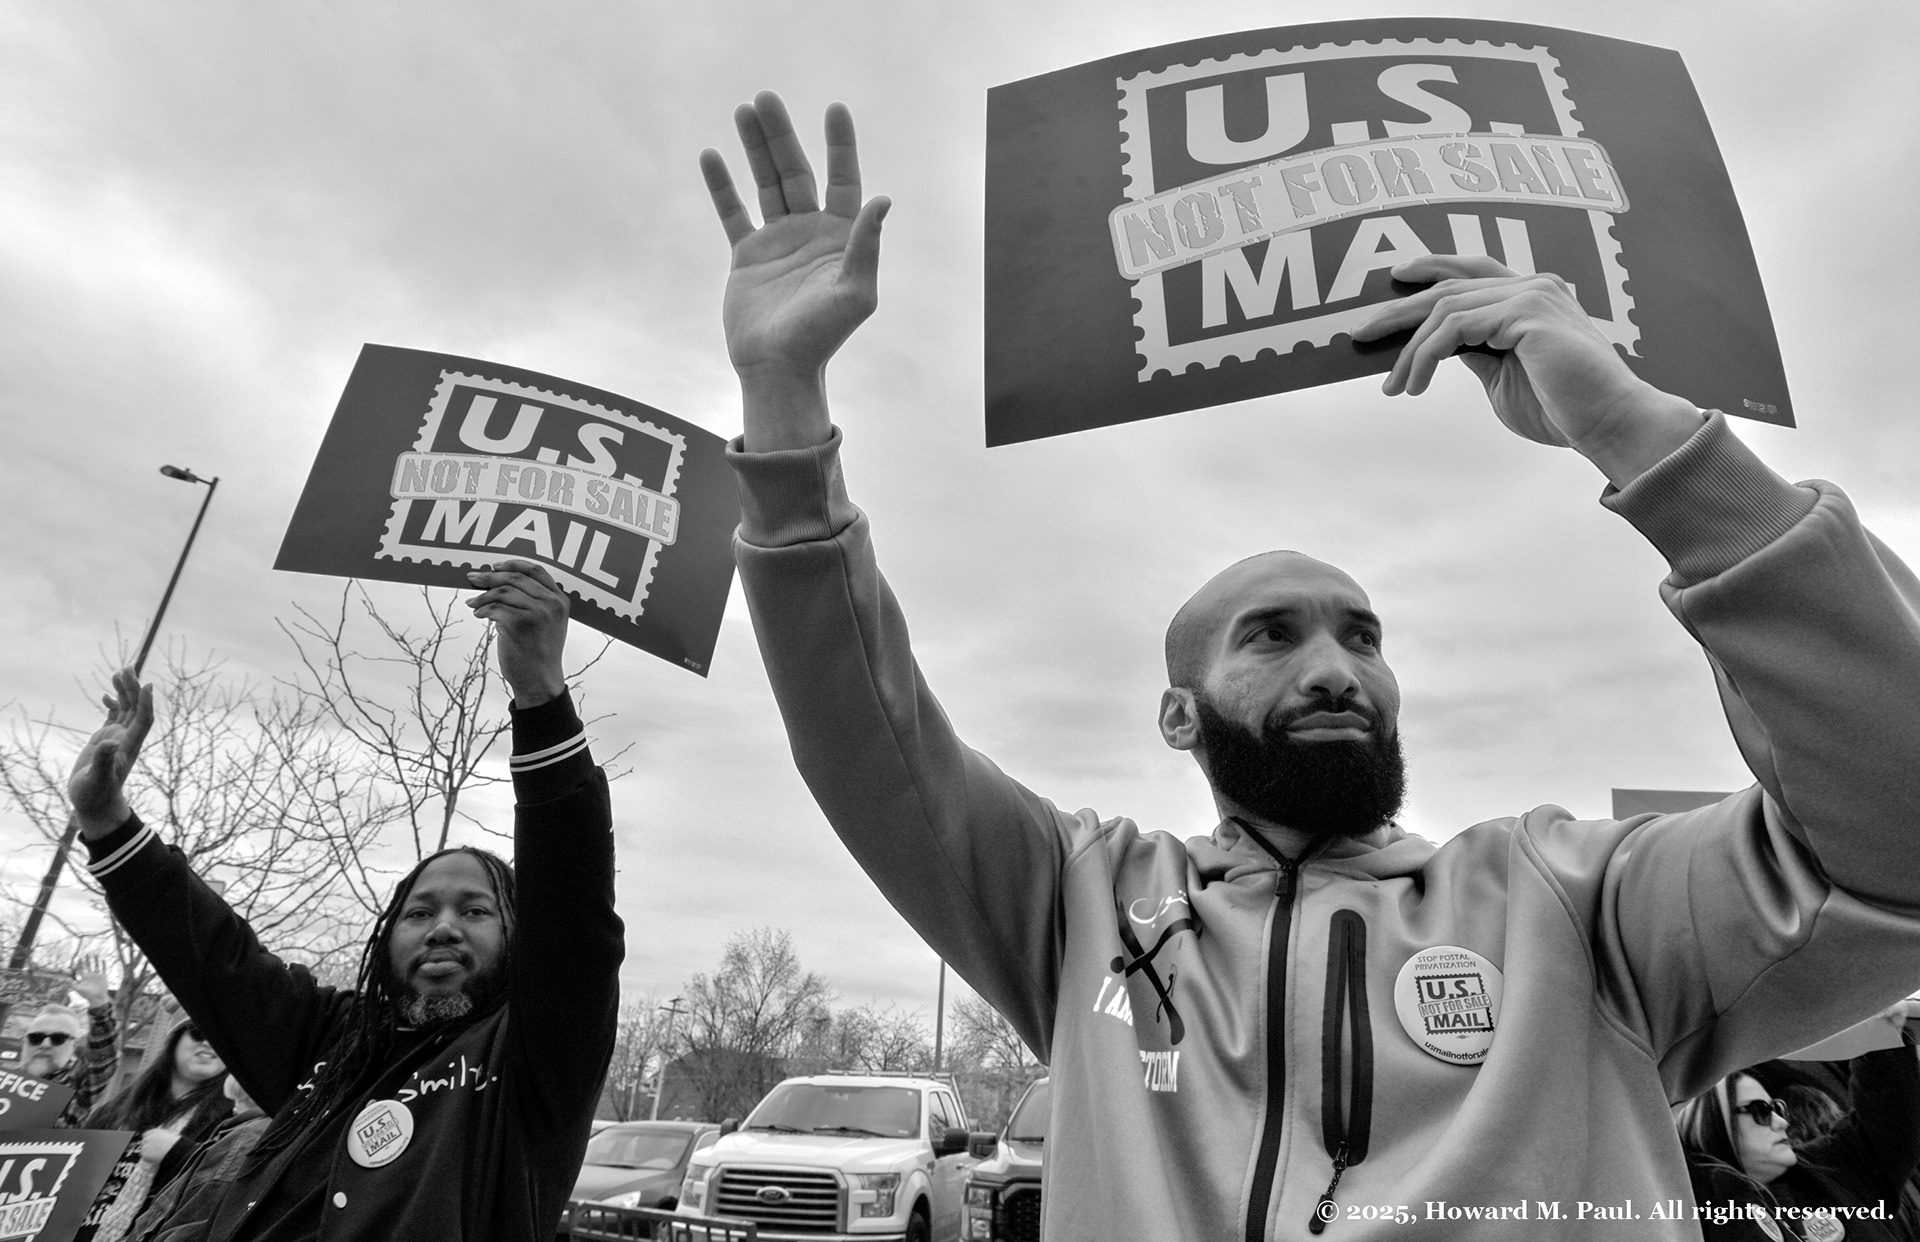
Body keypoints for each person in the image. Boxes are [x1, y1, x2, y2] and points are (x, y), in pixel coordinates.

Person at [701, 92, 1920, 1240]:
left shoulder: (1578, 906)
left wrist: (1634, 428)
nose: (1338, 668)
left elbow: (1898, 821)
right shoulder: (1075, 906)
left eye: (1363, 634)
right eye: (1272, 635)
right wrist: (781, 390)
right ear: (1177, 716)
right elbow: (867, 736)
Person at [63, 560, 623, 1242]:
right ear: (386, 937)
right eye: (419, 912)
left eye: (474, 911)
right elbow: (216, 960)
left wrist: (540, 697)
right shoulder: (332, 1044)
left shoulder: (531, 1061)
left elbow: (573, 908)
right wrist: (106, 821)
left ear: (518, 942)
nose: (442, 927)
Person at [1677, 1017, 1920, 1242]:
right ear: (1710, 1125)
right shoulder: (1699, 1211)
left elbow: (1892, 1120)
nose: (1782, 1122)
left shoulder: (1829, 1170)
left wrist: (1881, 1034)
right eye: (1761, 1111)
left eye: (1778, 1108)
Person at [85, 1020, 235, 1242]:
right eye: (198, 1032)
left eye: (222, 1038)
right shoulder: (117, 1108)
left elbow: (231, 1191)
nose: (209, 1044)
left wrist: (181, 1153)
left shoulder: (233, 1116)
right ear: (175, 1037)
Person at [127, 1075, 272, 1242]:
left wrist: (178, 1152)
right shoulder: (247, 1133)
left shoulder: (248, 1135)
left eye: (240, 1102)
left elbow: (192, 1223)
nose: (234, 1110)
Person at [20, 966, 120, 1127]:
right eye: (36, 1037)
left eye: (58, 1038)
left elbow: (104, 1061)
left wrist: (99, 1005)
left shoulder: (75, 1087)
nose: (45, 1044)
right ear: (24, 1042)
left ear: (73, 1046)